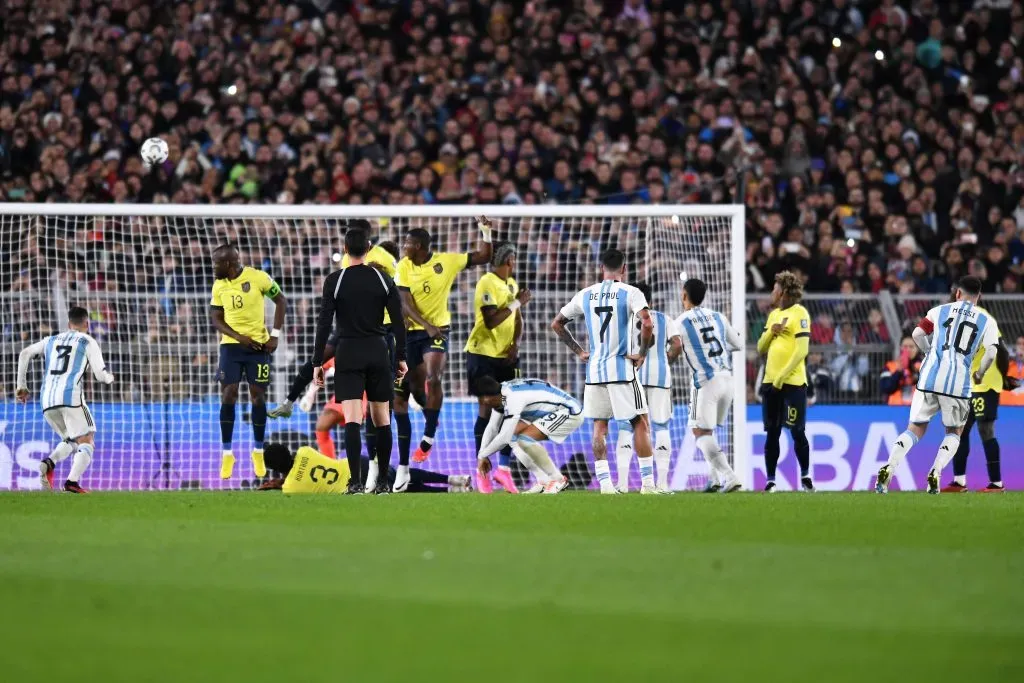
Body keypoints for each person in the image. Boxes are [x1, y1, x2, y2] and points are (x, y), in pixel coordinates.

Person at [551, 248, 660, 495]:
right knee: (640, 423)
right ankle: (648, 485)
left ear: (602, 269)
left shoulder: (586, 294)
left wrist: (579, 351)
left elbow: (556, 323)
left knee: (599, 428)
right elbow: (647, 322)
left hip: (595, 372)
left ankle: (606, 485)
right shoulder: (631, 292)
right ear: (623, 269)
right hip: (621, 369)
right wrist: (642, 353)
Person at [876, 276, 999, 495]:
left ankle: (889, 467)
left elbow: (917, 334)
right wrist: (979, 373)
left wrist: (928, 352)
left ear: (958, 293)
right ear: (978, 297)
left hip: (929, 377)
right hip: (958, 383)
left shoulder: (938, 311)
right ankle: (936, 470)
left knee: (915, 428)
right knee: (954, 431)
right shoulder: (986, 320)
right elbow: (991, 351)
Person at [311, 226, 407, 494]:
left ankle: (354, 483)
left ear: (345, 249)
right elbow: (398, 322)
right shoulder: (383, 279)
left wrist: (318, 361)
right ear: (368, 250)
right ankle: (384, 484)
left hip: (348, 351)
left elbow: (323, 323)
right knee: (382, 420)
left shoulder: (335, 280)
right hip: (377, 350)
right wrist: (401, 357)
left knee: (353, 420)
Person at [394, 217, 493, 467]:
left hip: (438, 331)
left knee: (434, 377)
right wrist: (425, 325)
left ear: (419, 246)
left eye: (408, 243)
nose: (404, 246)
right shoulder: (403, 266)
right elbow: (404, 303)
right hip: (412, 333)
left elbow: (483, 256)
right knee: (416, 389)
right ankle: (430, 413)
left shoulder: (445, 261)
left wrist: (485, 231)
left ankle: (428, 438)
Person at [268, 233, 399, 421]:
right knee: (383, 388)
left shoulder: (354, 261)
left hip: (356, 329)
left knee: (319, 360)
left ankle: (289, 401)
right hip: (375, 331)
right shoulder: (388, 267)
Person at [15, 306, 115, 493]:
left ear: (69, 324)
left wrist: (22, 387)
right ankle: (71, 482)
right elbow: (100, 376)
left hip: (46, 401)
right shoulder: (87, 341)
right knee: (87, 440)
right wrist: (110, 377)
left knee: (71, 440)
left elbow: (24, 354)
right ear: (87, 323)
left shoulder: (51, 340)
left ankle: (49, 462)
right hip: (70, 397)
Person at [209, 244, 287, 480]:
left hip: (258, 348)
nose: (213, 267)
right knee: (229, 393)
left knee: (257, 396)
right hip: (231, 347)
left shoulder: (258, 277)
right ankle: (227, 453)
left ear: (229, 264)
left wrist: (275, 336)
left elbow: (281, 301)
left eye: (216, 263)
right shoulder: (219, 285)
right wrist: (237, 336)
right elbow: (215, 317)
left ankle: (258, 451)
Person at [465, 241, 530, 494]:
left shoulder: (511, 284)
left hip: (506, 357)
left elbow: (517, 318)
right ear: (510, 260)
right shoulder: (487, 282)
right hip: (481, 354)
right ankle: (482, 470)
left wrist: (515, 344)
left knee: (510, 411)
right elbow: (491, 321)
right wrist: (518, 303)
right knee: (487, 408)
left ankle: (503, 471)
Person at [943, 300, 1018, 493]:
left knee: (985, 430)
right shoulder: (959, 319)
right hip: (969, 385)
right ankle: (959, 482)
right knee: (960, 430)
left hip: (985, 384)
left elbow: (1000, 349)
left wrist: (1002, 377)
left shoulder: (982, 317)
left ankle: (996, 484)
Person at [678, 278, 744, 493]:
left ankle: (730, 476)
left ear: (685, 296)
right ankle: (714, 478)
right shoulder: (719, 317)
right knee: (707, 432)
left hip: (706, 382)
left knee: (700, 432)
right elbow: (739, 344)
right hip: (727, 380)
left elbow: (672, 346)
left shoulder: (681, 321)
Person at [618, 282, 681, 493]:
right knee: (661, 426)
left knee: (628, 426)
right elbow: (677, 344)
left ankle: (623, 484)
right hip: (660, 377)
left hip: (632, 377)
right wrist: (666, 360)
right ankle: (662, 484)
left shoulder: (625, 321)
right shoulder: (665, 319)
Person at [756, 271, 814, 493]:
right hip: (771, 383)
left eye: (774, 288)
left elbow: (802, 351)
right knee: (772, 432)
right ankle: (771, 480)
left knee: (797, 431)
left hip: (793, 384)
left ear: (783, 292)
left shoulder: (800, 313)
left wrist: (782, 376)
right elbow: (761, 347)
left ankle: (806, 477)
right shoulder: (773, 316)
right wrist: (771, 332)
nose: (772, 292)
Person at [475, 377, 582, 495]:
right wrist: (481, 456)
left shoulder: (513, 398)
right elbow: (492, 427)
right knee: (513, 437)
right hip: (546, 410)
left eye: (483, 398)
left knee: (524, 439)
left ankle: (558, 479)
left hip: (569, 411)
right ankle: (543, 481)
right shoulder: (500, 393)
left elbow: (503, 438)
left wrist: (484, 454)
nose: (483, 402)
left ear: (490, 397)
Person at [259, 443, 471, 494]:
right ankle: (452, 478)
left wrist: (278, 485)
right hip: (357, 464)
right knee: (399, 475)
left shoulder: (291, 488)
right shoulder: (305, 451)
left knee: (399, 487)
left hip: (356, 485)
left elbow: (293, 480)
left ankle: (449, 490)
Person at [879, 336, 923, 405]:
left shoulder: (923, 367)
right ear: (900, 348)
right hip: (895, 410)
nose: (908, 350)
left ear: (917, 349)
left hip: (917, 410)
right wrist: (898, 372)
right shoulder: (890, 366)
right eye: (905, 347)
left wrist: (916, 373)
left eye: (911, 347)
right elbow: (885, 388)